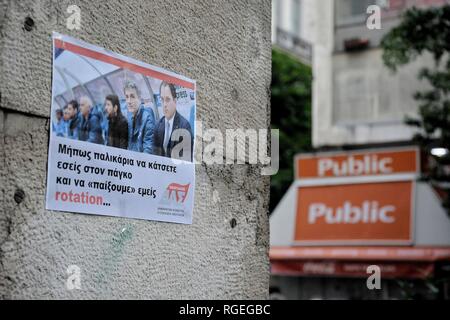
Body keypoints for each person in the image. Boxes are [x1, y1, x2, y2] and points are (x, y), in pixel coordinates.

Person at [153, 81, 193, 161]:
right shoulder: (158, 125)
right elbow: (154, 154)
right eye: (162, 99)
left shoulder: (184, 126)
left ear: (175, 101)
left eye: (167, 100)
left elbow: (185, 160)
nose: (164, 104)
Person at [124, 80, 155, 153]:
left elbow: (148, 148)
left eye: (132, 96)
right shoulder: (129, 115)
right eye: (127, 97)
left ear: (139, 98)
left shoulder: (147, 117)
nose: (129, 101)